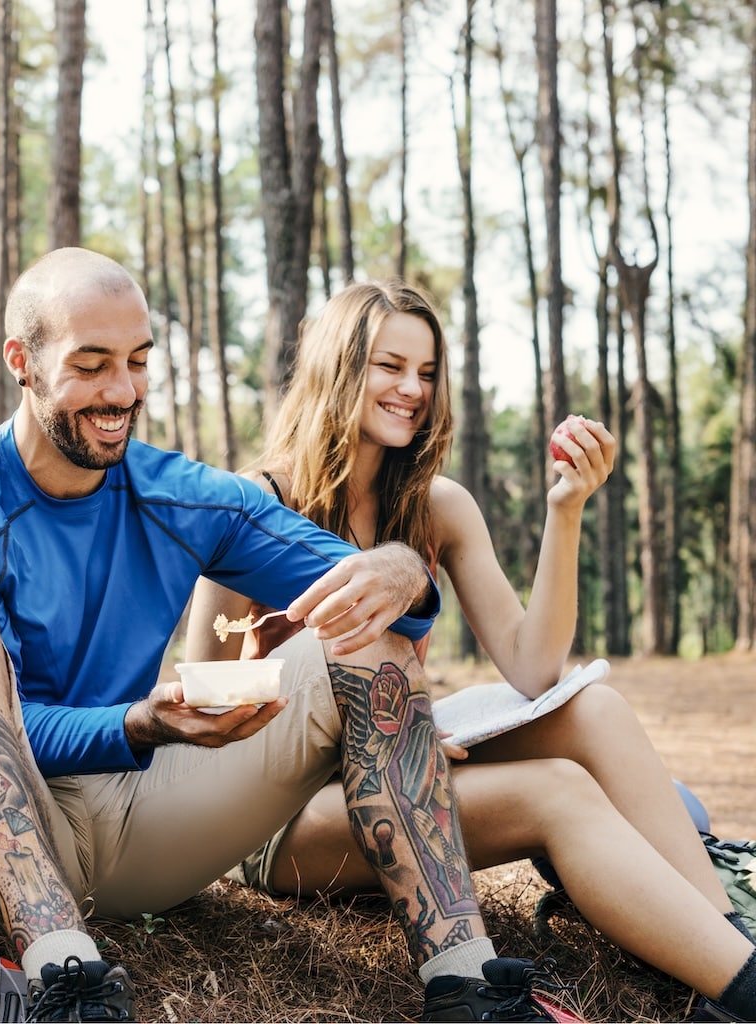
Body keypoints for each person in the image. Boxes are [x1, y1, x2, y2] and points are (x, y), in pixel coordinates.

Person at [0, 247, 565, 1024]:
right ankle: (66, 985)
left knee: (356, 636)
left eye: (138, 361)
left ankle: (466, 982)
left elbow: (371, 595)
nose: (122, 392)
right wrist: (136, 722)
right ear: (22, 361)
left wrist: (403, 568)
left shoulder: (183, 495)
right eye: (92, 364)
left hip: (133, 824)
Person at [184, 277, 756, 1023]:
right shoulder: (253, 503)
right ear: (338, 366)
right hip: (284, 816)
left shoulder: (435, 506)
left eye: (426, 372)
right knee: (556, 790)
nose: (411, 389)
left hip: (405, 782)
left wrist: (566, 511)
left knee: (598, 709)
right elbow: (203, 696)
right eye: (390, 366)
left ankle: (725, 942)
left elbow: (532, 666)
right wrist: (382, 734)